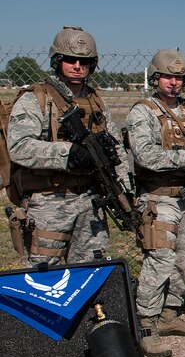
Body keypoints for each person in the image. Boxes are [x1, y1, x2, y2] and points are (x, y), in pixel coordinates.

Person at [6, 26, 130, 266]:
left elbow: (115, 150)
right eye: (70, 60)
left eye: (84, 61)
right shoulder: (36, 98)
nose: (77, 66)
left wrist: (125, 188)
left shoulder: (96, 101)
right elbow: (19, 147)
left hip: (91, 200)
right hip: (49, 201)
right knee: (44, 276)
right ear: (58, 60)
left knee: (89, 271)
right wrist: (68, 154)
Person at [126, 49, 185, 357]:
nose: (174, 83)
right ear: (156, 77)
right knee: (160, 259)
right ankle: (146, 325)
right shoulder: (143, 112)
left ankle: (169, 315)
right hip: (157, 196)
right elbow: (145, 155)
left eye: (179, 78)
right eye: (168, 76)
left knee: (184, 258)